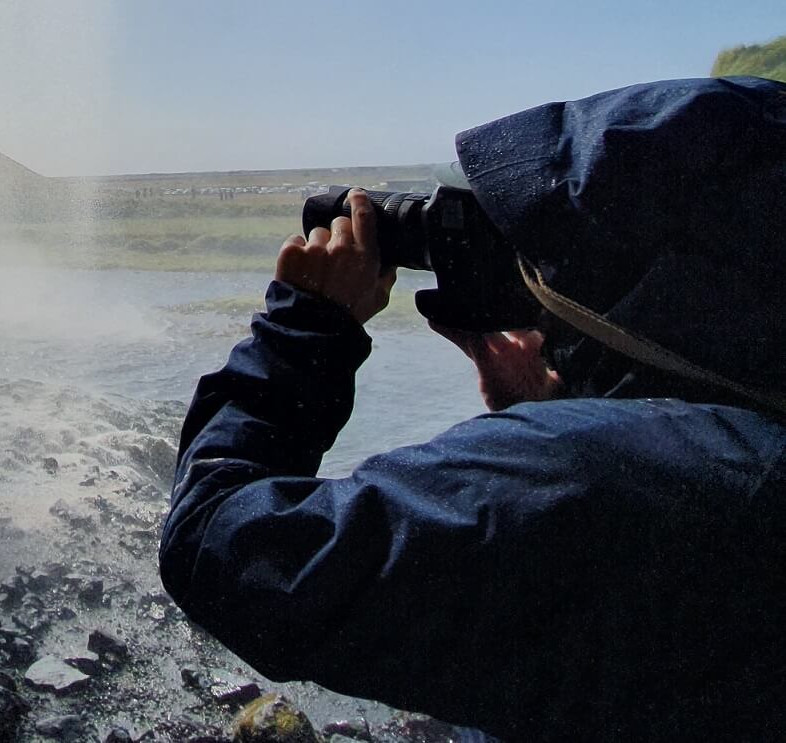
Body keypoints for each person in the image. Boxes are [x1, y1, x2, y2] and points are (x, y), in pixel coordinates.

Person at [159, 77, 786, 743]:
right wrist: (578, 402)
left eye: (547, 254)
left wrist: (302, 334)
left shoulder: (598, 480)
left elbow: (219, 546)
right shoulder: (735, 458)